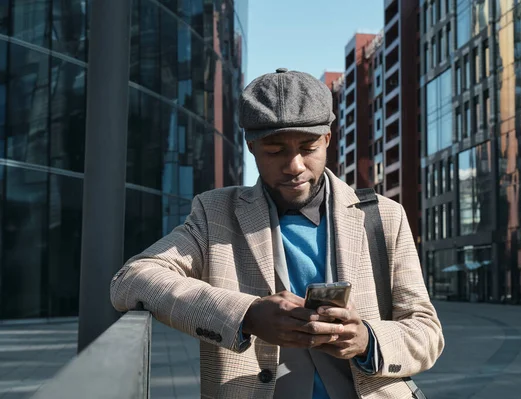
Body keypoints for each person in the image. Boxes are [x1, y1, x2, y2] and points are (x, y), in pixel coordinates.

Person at [111, 68, 444, 398]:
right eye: (275, 150)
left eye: (308, 147)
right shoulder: (216, 214)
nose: (294, 165)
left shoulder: (384, 216)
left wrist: (367, 341)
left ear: (327, 139)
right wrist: (248, 315)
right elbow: (132, 279)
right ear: (251, 146)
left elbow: (426, 332)